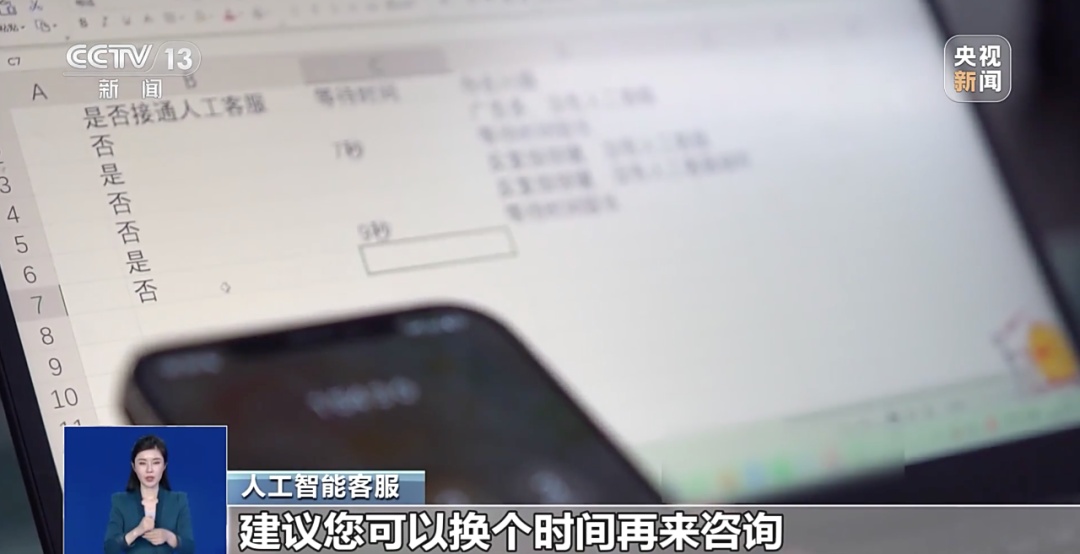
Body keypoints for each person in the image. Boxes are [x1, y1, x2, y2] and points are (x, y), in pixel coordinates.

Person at [104, 435, 195, 554]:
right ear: (134, 467)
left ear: (164, 466)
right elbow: (110, 547)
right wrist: (137, 531)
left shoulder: (178, 500)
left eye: (156, 462)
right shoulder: (120, 501)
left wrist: (169, 537)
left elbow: (189, 547)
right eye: (142, 463)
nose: (149, 470)